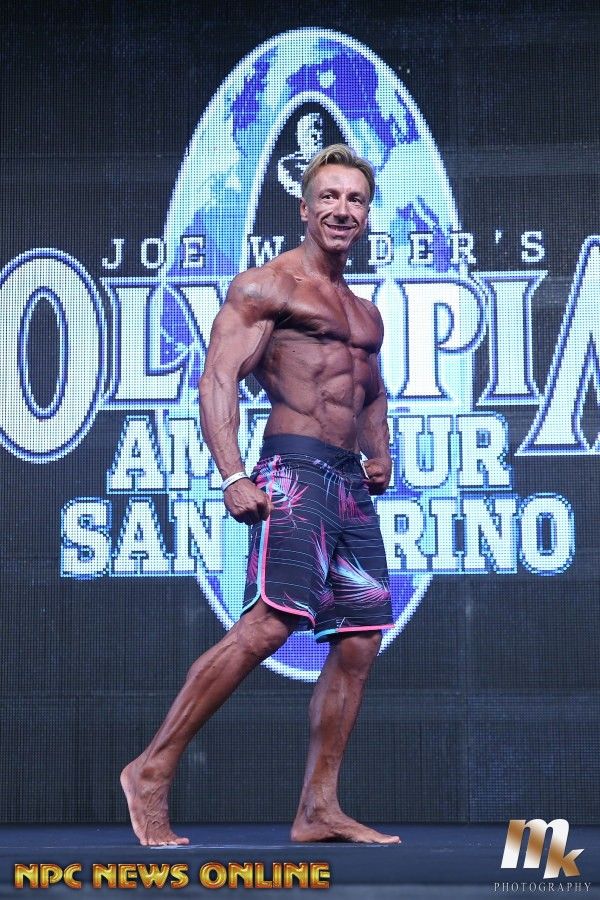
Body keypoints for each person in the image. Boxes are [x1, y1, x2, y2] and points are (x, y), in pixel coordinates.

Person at [121, 143, 400, 847]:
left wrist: (380, 451)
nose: (342, 210)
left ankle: (318, 808)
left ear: (367, 215)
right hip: (294, 470)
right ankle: (150, 769)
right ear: (304, 209)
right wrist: (232, 473)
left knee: (360, 641)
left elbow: (370, 390)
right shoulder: (266, 287)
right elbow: (218, 379)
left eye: (355, 200)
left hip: (348, 483)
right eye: (329, 197)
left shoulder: (365, 312)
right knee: (271, 624)